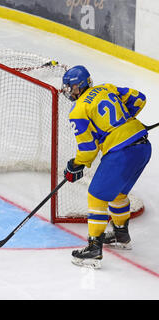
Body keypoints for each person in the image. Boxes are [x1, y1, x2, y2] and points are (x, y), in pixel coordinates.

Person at [61, 65, 151, 269]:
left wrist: (77, 165)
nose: (69, 91)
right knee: (118, 193)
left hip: (122, 151)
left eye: (72, 87)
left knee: (96, 195)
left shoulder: (78, 110)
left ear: (81, 86)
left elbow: (88, 148)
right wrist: (124, 122)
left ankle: (93, 249)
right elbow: (139, 98)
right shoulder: (106, 88)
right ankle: (121, 234)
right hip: (143, 147)